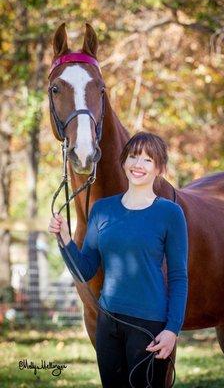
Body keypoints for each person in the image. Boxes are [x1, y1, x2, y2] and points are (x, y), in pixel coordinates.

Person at [48, 131, 189, 388]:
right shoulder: (102, 209)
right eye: (134, 157)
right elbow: (85, 270)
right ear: (123, 162)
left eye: (148, 159)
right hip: (108, 325)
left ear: (159, 168)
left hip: (149, 327)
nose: (139, 165)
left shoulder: (170, 213)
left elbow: (179, 277)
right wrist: (65, 239)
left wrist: (172, 330)